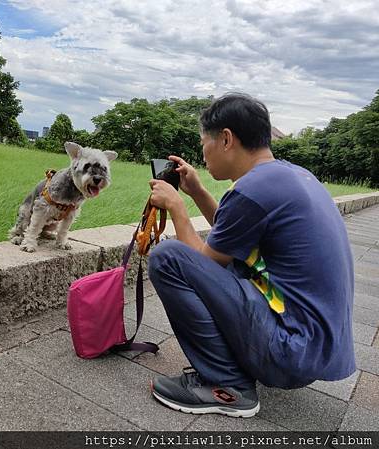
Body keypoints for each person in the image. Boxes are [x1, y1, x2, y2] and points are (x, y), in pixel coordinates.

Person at [146, 93, 356, 418]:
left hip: (290, 350)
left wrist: (176, 206)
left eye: (205, 142)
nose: (203, 153)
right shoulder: (289, 176)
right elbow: (229, 241)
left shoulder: (252, 189)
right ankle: (237, 369)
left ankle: (227, 385)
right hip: (312, 349)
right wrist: (198, 193)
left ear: (226, 139)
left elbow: (205, 259)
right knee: (234, 265)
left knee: (168, 257)